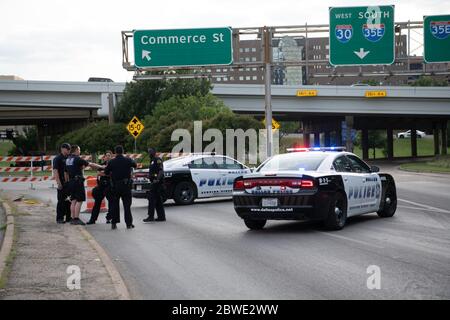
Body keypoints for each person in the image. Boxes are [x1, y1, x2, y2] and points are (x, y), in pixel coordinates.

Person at [65, 145, 104, 225]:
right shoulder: (77, 158)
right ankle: (76, 218)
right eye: (79, 150)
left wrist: (67, 182)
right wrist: (102, 167)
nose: (80, 152)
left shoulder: (68, 159)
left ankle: (72, 218)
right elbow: (90, 164)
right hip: (78, 181)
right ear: (76, 150)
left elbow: (66, 171)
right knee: (79, 200)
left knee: (73, 200)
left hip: (71, 181)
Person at [104, 145, 137, 230]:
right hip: (126, 186)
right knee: (127, 206)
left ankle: (114, 223)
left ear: (115, 152)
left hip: (115, 186)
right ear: (123, 151)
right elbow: (135, 165)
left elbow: (106, 172)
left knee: (115, 205)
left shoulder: (111, 162)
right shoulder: (128, 160)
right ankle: (129, 224)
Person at [87, 150, 113, 225]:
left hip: (109, 186)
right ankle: (92, 220)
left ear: (111, 157)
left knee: (111, 202)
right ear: (104, 157)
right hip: (101, 186)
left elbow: (110, 174)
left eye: (109, 155)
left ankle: (109, 218)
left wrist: (104, 174)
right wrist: (104, 174)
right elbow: (98, 173)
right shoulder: (101, 165)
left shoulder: (113, 165)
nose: (107, 157)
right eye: (106, 155)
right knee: (97, 203)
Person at [143, 147, 166, 222]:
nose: (149, 153)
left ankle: (150, 216)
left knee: (151, 198)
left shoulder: (157, 159)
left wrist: (157, 179)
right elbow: (153, 171)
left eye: (150, 151)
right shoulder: (152, 160)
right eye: (148, 151)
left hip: (157, 183)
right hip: (154, 181)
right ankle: (161, 217)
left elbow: (161, 171)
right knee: (158, 200)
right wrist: (149, 176)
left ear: (154, 152)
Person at [53, 143, 71, 224]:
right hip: (62, 182)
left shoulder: (69, 157)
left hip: (69, 182)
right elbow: (55, 171)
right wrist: (58, 182)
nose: (69, 151)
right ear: (63, 149)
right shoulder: (58, 158)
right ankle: (59, 218)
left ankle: (68, 217)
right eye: (68, 149)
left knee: (69, 201)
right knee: (61, 201)